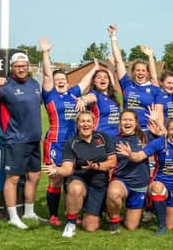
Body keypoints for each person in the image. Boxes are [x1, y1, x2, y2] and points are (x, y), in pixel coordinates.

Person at [0, 52, 44, 229]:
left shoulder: (34, 84)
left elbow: (33, 112)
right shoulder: (5, 86)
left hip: (33, 140)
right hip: (15, 140)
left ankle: (30, 212)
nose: (21, 69)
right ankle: (13, 217)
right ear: (12, 68)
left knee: (34, 176)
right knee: (13, 179)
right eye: (18, 66)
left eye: (24, 65)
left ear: (28, 66)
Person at [39, 37, 95, 226]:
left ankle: (73, 213)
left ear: (67, 81)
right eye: (57, 80)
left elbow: (86, 81)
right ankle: (53, 215)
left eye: (63, 79)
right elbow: (47, 75)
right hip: (55, 141)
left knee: (73, 178)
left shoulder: (73, 93)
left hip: (73, 142)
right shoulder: (49, 94)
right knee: (55, 178)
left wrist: (95, 68)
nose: (60, 81)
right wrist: (45, 53)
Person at [43, 111, 117, 238]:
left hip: (98, 183)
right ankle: (71, 223)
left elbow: (112, 162)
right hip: (79, 178)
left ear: (94, 124)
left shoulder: (103, 138)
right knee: (75, 188)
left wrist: (97, 166)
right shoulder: (71, 143)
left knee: (90, 227)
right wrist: (58, 170)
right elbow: (67, 168)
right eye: (82, 121)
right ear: (77, 124)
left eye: (89, 121)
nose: (86, 124)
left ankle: (96, 209)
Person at [117, 116, 173, 235]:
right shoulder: (159, 143)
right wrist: (130, 154)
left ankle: (161, 214)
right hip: (160, 181)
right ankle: (160, 225)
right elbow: (140, 155)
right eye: (171, 129)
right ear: (167, 130)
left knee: (171, 226)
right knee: (157, 189)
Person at [108, 24, 164, 132]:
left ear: (147, 73)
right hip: (128, 131)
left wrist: (159, 131)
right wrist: (113, 37)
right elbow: (119, 62)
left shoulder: (155, 90)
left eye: (143, 70)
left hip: (148, 131)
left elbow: (160, 115)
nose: (140, 73)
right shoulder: (127, 85)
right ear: (133, 72)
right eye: (137, 70)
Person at [106, 110, 151, 234]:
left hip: (139, 185)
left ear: (136, 123)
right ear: (120, 122)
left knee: (131, 226)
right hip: (122, 181)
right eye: (124, 120)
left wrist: (159, 126)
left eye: (130, 120)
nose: (127, 122)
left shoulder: (145, 137)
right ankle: (114, 221)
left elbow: (166, 139)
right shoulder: (113, 140)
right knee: (114, 193)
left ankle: (128, 212)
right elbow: (108, 163)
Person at [78, 60, 121, 137]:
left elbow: (111, 74)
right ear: (94, 82)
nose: (103, 79)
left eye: (105, 78)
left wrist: (111, 63)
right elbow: (90, 98)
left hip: (115, 138)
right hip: (99, 138)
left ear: (109, 81)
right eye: (99, 77)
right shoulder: (95, 94)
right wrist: (83, 100)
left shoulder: (112, 97)